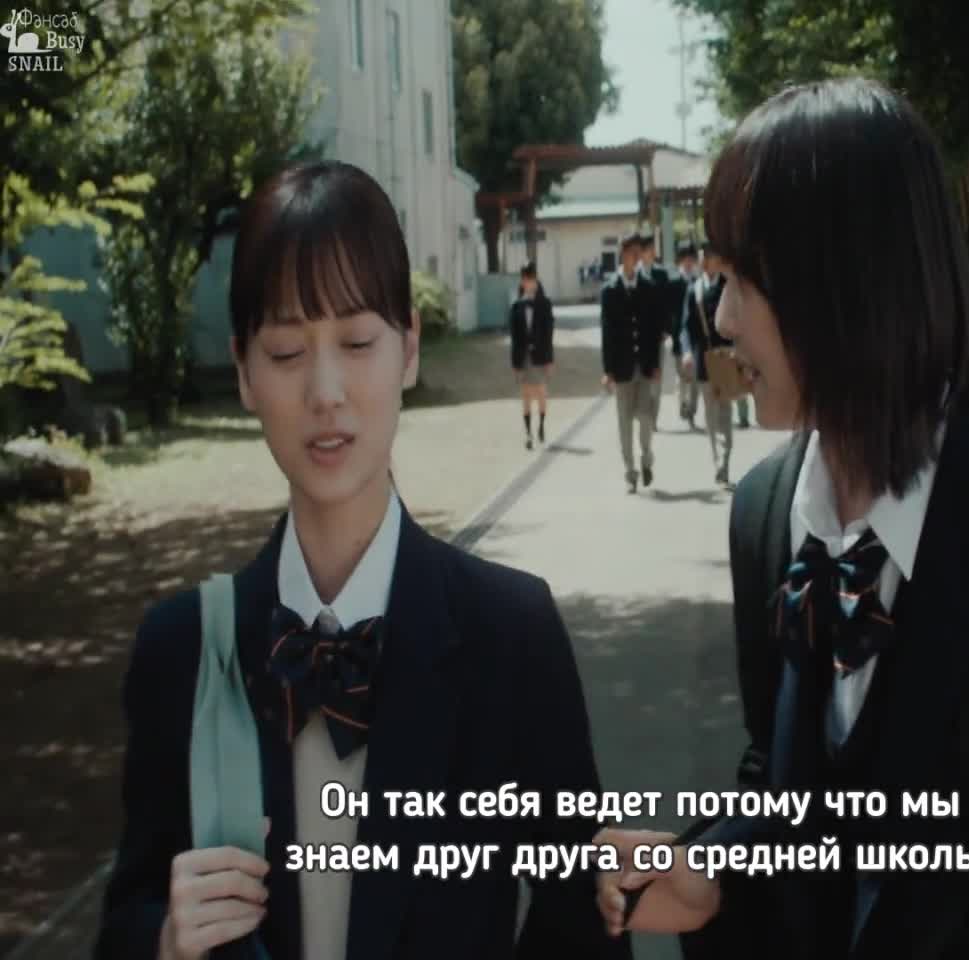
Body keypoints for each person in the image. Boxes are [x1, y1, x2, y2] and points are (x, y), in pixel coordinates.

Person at [595, 76, 969, 958]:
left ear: (845, 287)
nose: (720, 318)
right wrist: (714, 873)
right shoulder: (764, 515)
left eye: (743, 281)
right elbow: (784, 787)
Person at [94, 160, 630, 960]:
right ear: (243, 371)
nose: (326, 391)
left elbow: (582, 919)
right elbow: (125, 919)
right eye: (285, 351)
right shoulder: (186, 650)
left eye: (356, 342)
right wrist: (165, 939)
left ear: (408, 349)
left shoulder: (509, 632)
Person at [601, 230, 663, 493]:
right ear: (622, 254)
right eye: (631, 253)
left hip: (645, 365)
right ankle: (630, 472)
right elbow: (607, 333)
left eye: (638, 253)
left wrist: (657, 364)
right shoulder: (609, 290)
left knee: (646, 417)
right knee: (624, 422)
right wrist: (607, 370)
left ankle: (646, 458)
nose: (635, 257)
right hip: (622, 367)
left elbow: (654, 329)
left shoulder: (648, 287)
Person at [680, 244, 734, 486]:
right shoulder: (694, 290)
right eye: (702, 258)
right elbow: (686, 327)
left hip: (726, 359)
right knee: (711, 414)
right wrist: (687, 352)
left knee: (725, 412)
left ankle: (725, 458)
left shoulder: (728, 286)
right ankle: (717, 459)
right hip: (704, 361)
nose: (703, 262)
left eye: (708, 258)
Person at [509, 261, 555, 450]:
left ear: (536, 280)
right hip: (523, 357)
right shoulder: (516, 306)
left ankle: (541, 425)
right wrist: (515, 364)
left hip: (541, 356)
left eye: (532, 279)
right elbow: (514, 337)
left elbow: (549, 334)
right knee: (526, 394)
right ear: (522, 281)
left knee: (541, 392)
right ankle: (528, 433)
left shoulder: (545, 304)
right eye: (526, 279)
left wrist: (550, 360)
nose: (529, 283)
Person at [638, 232, 673, 429]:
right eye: (648, 250)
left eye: (653, 249)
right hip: (638, 337)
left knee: (656, 380)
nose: (652, 253)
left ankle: (653, 419)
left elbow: (667, 305)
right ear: (641, 252)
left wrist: (666, 329)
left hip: (657, 336)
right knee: (641, 378)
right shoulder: (634, 275)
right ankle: (644, 414)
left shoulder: (661, 275)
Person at [671, 240, 701, 427]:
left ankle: (692, 411)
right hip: (678, 337)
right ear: (680, 260)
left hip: (696, 338)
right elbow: (667, 310)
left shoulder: (699, 282)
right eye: (685, 258)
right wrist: (669, 330)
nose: (688, 262)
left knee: (695, 379)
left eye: (691, 258)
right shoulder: (674, 282)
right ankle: (683, 403)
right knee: (682, 376)